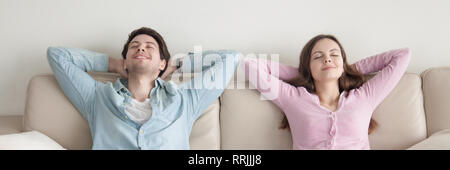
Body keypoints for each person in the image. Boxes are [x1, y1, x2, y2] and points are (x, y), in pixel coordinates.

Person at [47, 27, 240, 149]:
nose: (141, 49)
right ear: (126, 61)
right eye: (134, 46)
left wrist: (179, 64)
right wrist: (114, 64)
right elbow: (56, 56)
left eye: (149, 47)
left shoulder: (184, 99)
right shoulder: (98, 97)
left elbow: (230, 59)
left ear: (162, 63)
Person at [242, 34, 410, 149]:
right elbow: (250, 66)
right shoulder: (293, 99)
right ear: (308, 66)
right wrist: (303, 73)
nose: (327, 59)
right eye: (318, 57)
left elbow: (402, 56)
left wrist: (348, 69)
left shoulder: (364, 97)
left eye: (334, 55)